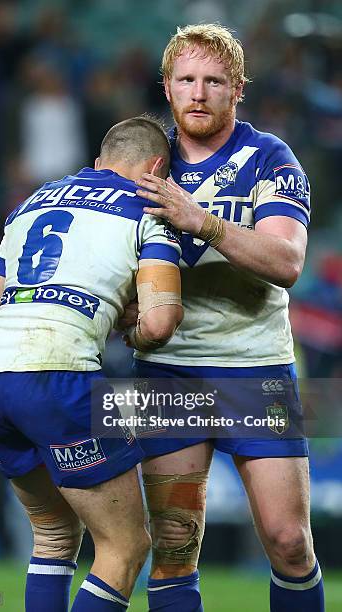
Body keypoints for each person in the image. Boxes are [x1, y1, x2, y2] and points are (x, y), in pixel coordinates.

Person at [128, 24, 324, 612]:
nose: (199, 92)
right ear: (167, 87)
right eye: (186, 79)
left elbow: (287, 261)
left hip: (254, 369)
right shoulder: (144, 163)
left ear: (237, 88)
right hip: (168, 371)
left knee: (289, 542)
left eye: (214, 81)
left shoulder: (270, 158)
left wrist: (204, 221)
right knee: (174, 545)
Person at [0, 116, 183, 612]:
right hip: (60, 379)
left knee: (53, 536)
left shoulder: (30, 204)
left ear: (97, 164)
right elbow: (159, 322)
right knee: (126, 547)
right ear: (157, 168)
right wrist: (119, 322)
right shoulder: (149, 211)